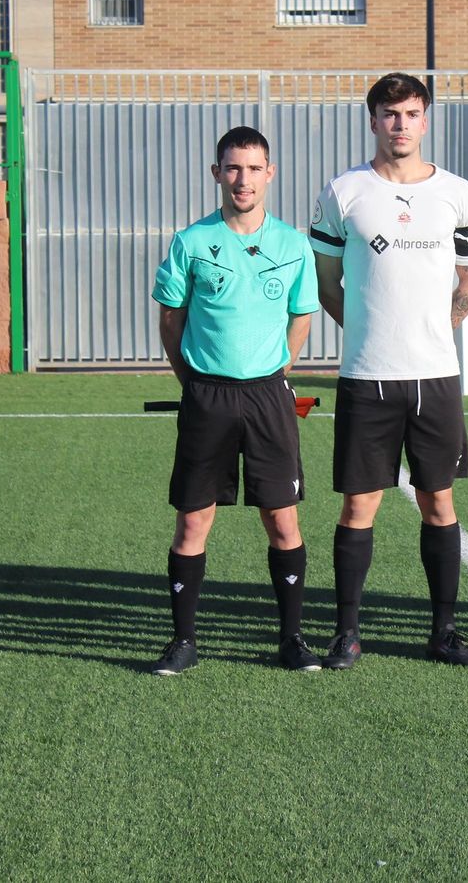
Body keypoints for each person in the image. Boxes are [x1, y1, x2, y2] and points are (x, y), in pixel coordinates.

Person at [309, 72, 468, 670]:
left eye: (412, 113)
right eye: (390, 114)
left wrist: (437, 330)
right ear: (373, 120)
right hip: (367, 377)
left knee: (440, 503)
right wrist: (367, 330)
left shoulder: (460, 194)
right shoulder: (343, 192)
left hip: (435, 378)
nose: (401, 124)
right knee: (359, 507)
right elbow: (327, 282)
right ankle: (348, 633)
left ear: (426, 119)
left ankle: (443, 631)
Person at [148, 126, 322, 676]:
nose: (242, 179)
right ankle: (183, 641)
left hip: (269, 396)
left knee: (281, 519)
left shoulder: (293, 244)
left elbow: (302, 316)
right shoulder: (191, 241)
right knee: (193, 522)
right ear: (217, 173)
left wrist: (279, 371)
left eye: (253, 168)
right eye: (232, 168)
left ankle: (291, 639)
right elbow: (171, 318)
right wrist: (192, 382)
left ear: (270, 173)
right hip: (208, 396)